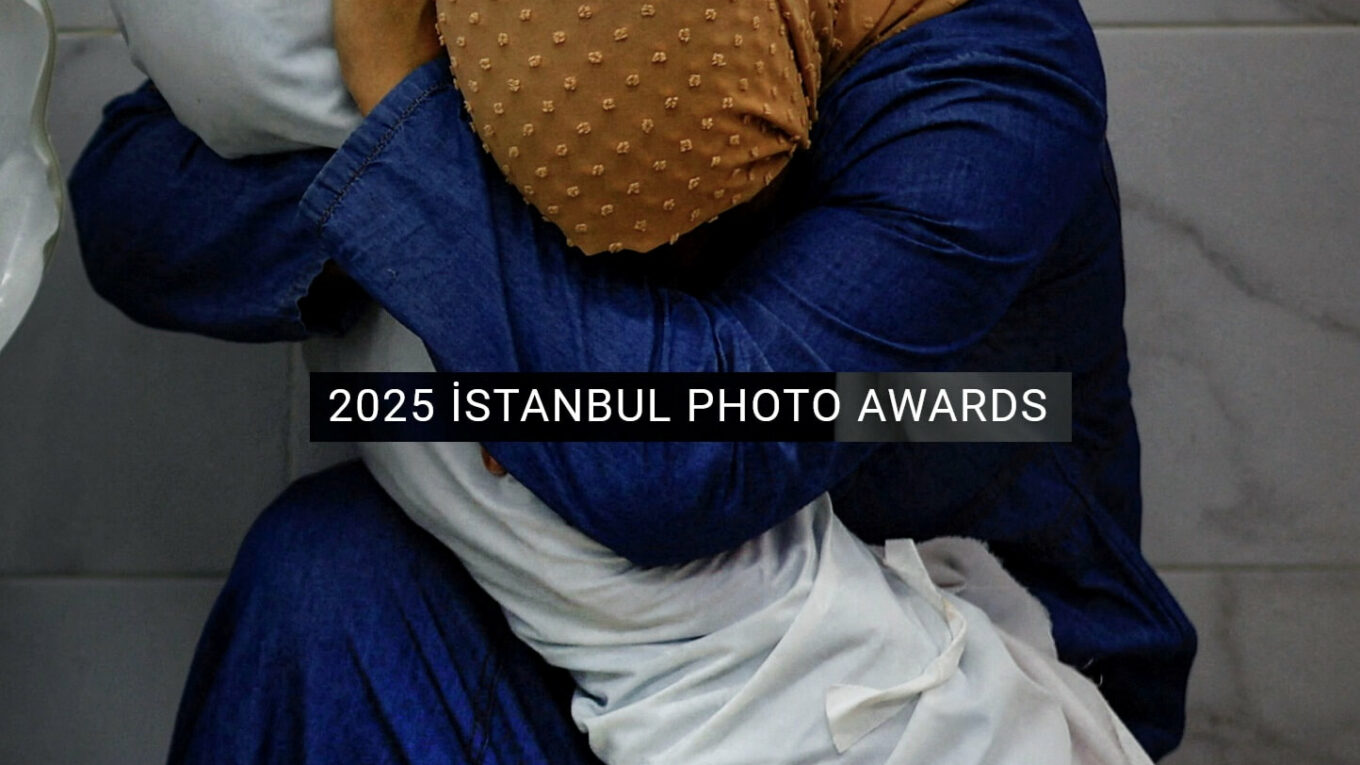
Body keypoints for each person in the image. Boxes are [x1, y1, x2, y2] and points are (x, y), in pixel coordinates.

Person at [69, 0, 1197, 761]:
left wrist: (412, 129)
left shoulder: (993, 85)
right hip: (577, 592)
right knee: (326, 565)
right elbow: (136, 202)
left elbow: (680, 465)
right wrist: (461, 218)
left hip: (976, 641)